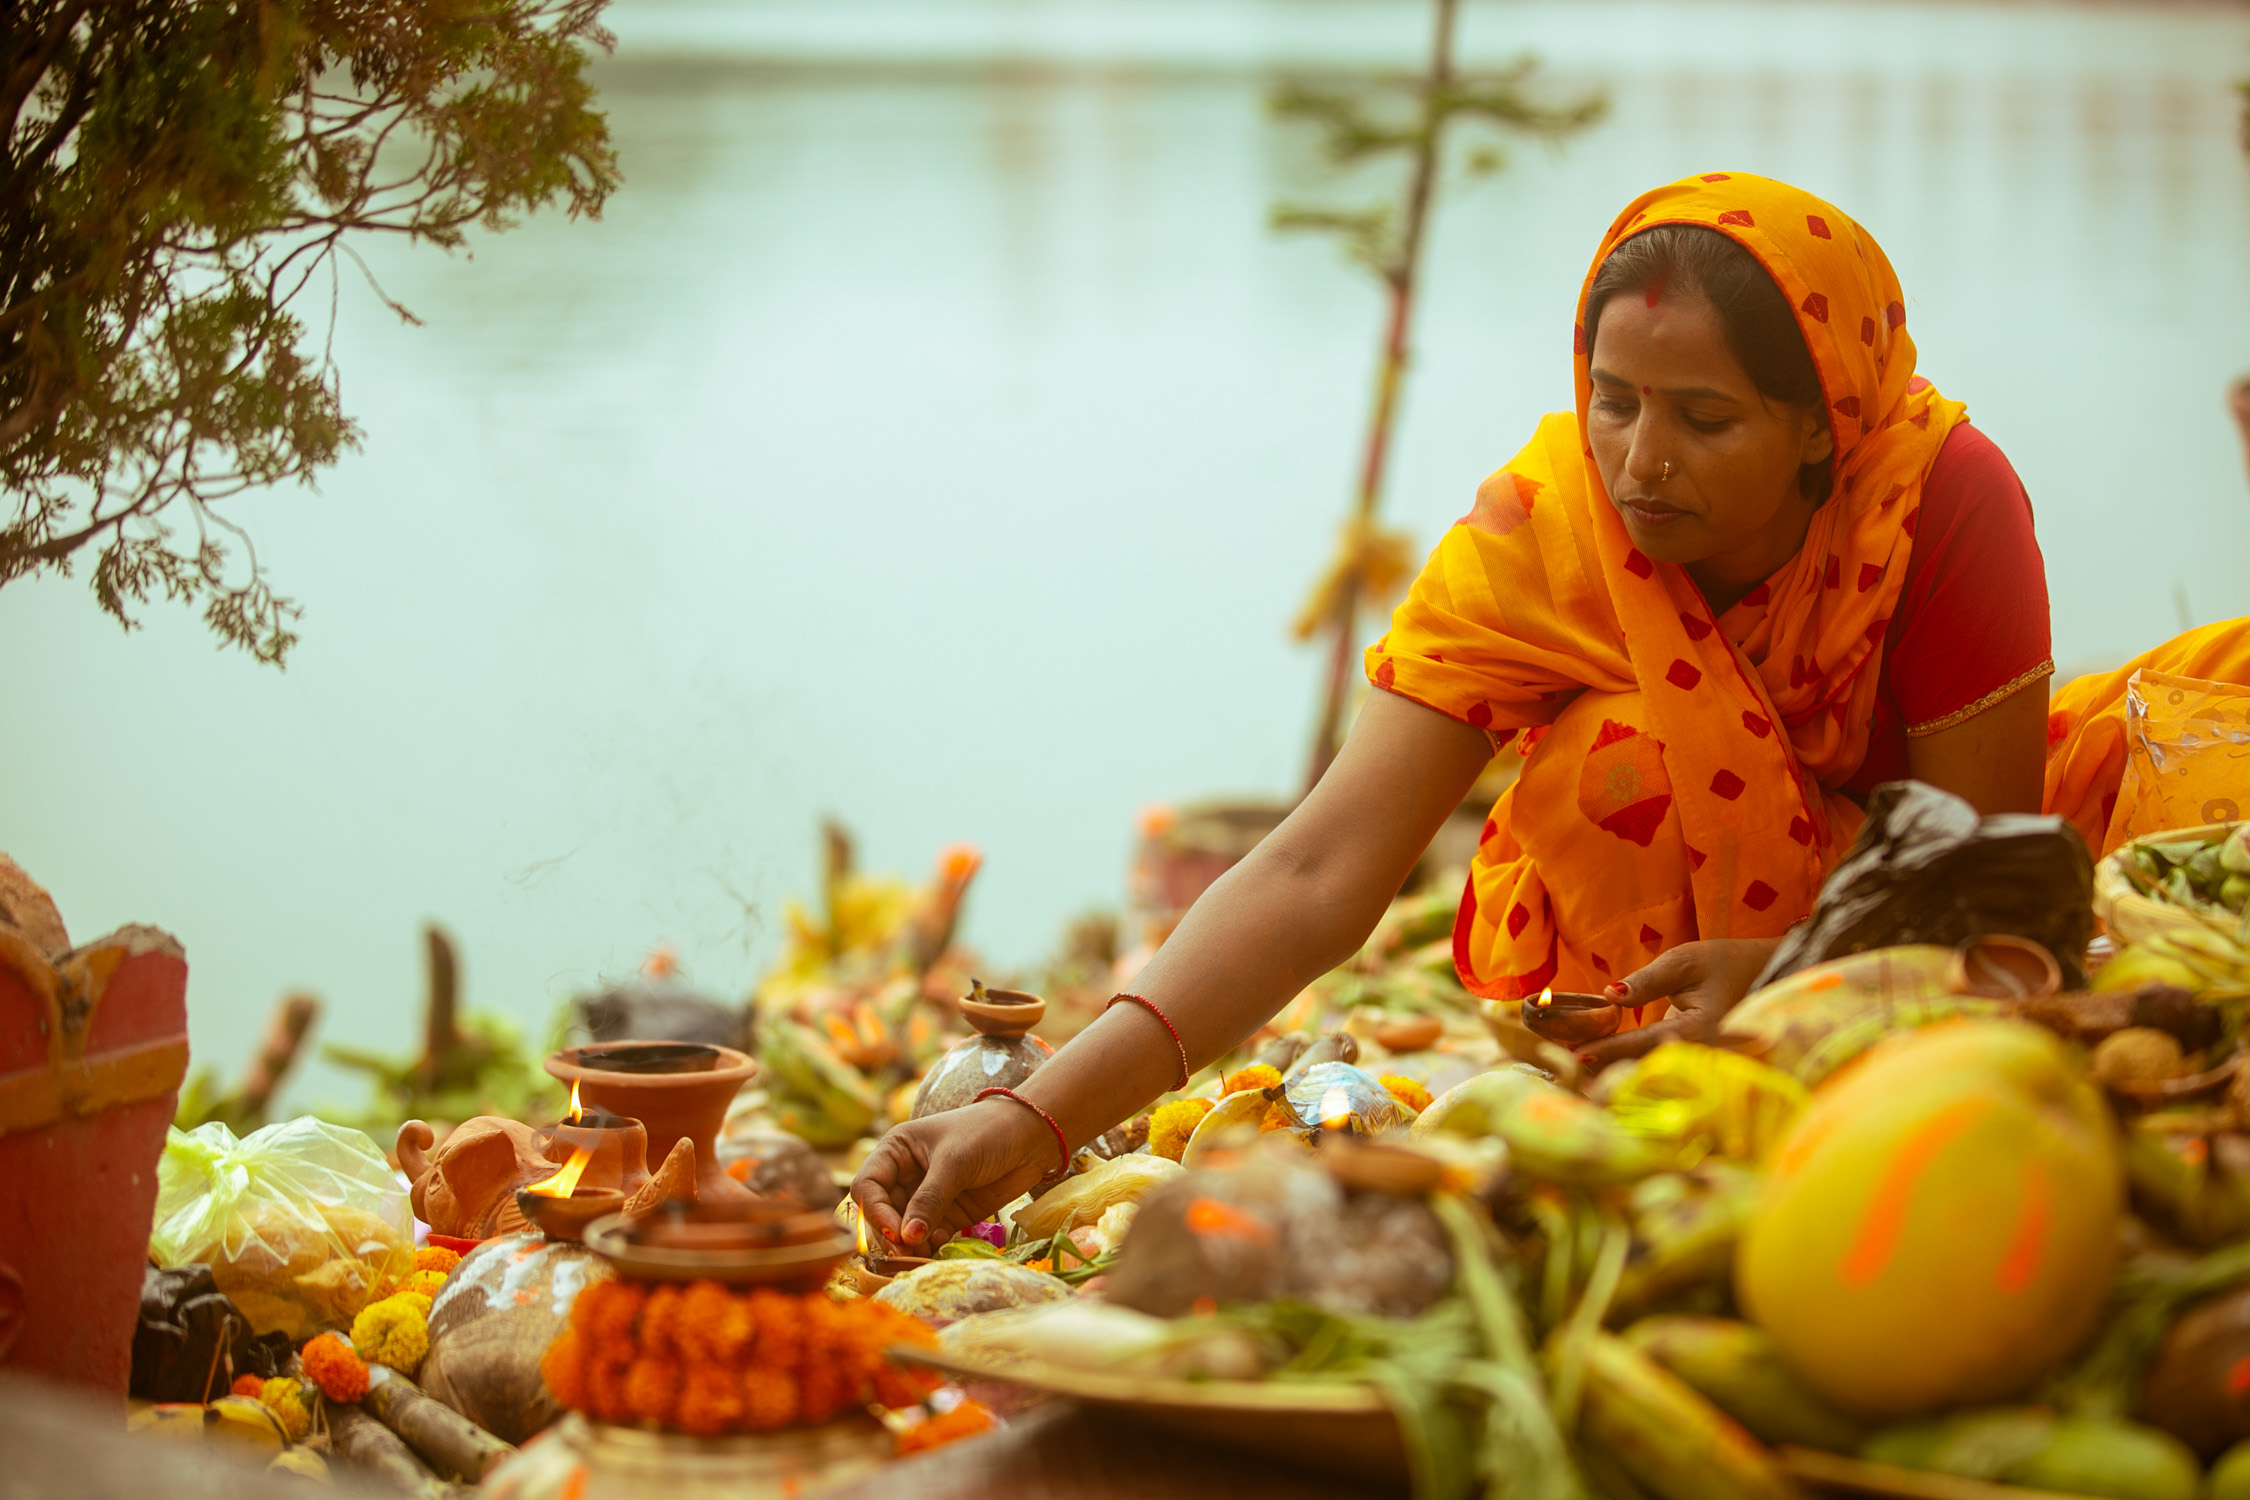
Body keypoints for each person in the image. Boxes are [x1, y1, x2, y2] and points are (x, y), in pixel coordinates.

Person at [850, 171, 2250, 1252]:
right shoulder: (1543, 528)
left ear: (1822, 420)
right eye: (1612, 403)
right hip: (1685, 967)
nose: (1641, 463)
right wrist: (1034, 1118)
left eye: (1704, 420)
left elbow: (1983, 885)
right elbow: (1318, 864)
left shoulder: (1941, 505)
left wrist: (1788, 973)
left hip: (1924, 927)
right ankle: (1663, 1085)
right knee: (1614, 766)